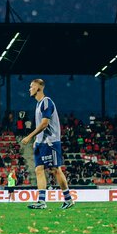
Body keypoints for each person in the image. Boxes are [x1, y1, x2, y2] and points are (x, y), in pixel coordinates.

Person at [20, 78, 74, 210]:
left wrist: (30, 136)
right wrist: (37, 140)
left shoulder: (46, 102)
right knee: (39, 170)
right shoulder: (38, 104)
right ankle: (41, 201)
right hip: (41, 143)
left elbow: (45, 123)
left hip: (51, 142)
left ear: (39, 87)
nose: (29, 89)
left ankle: (68, 199)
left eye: (31, 86)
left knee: (55, 170)